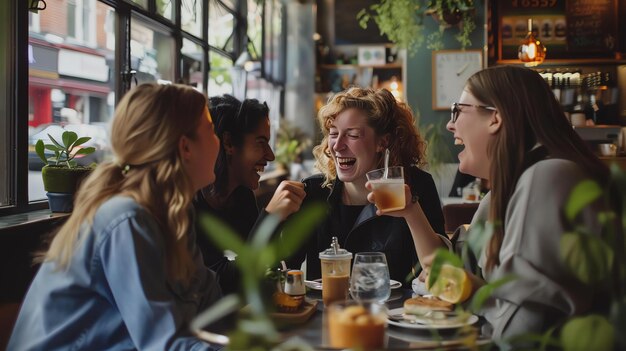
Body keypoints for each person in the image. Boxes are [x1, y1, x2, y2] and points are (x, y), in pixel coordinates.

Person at [8, 83, 223, 350]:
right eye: (211, 130)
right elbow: (163, 343)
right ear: (185, 147)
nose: (219, 142)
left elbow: (207, 299)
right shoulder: (128, 219)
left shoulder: (174, 214)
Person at [415, 65, 610, 339]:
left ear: (495, 118)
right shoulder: (500, 195)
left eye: (458, 110)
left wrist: (471, 293)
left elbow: (525, 330)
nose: (450, 124)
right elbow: (454, 271)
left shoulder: (547, 177)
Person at [286, 87, 447, 286]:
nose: (336, 146)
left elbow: (440, 273)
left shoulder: (416, 187)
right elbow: (281, 269)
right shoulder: (314, 192)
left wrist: (412, 212)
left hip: (393, 314)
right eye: (334, 134)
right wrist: (273, 217)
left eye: (352, 135)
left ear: (382, 142)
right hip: (326, 313)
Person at [194, 95, 305, 296]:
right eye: (261, 142)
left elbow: (263, 271)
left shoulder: (241, 196)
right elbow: (221, 284)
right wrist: (269, 220)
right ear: (228, 143)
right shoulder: (187, 202)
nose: (270, 155)